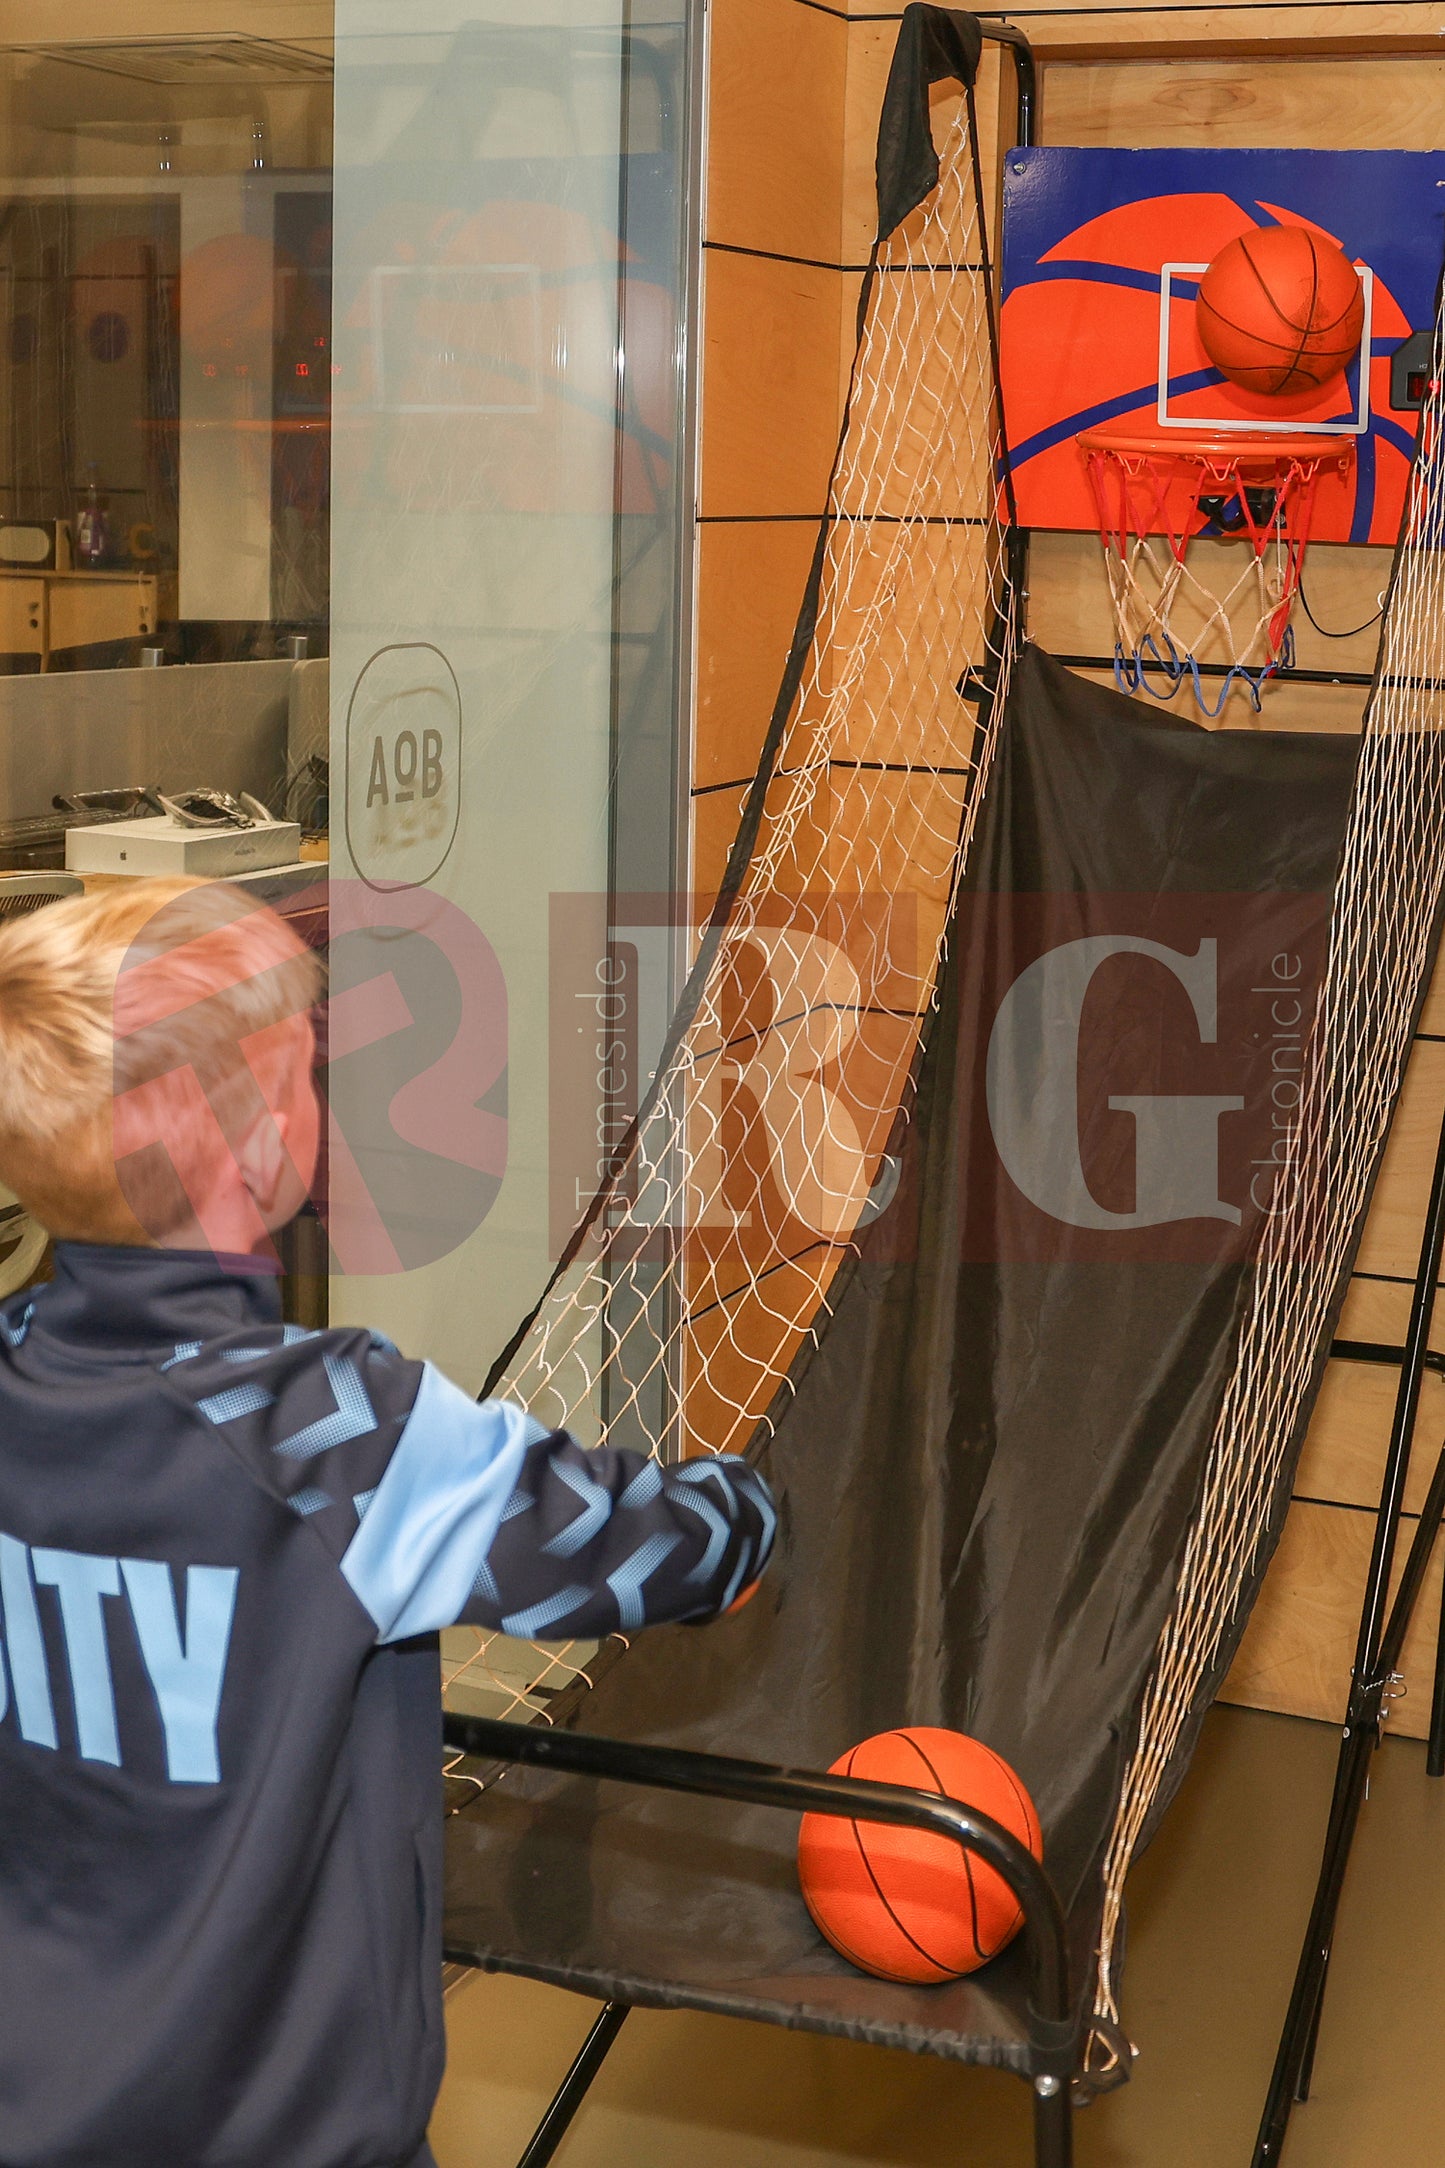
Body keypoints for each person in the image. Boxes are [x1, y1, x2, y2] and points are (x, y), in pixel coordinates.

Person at [0, 876, 775, 2168]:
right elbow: (621, 1546)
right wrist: (745, 1517)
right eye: (302, 1065)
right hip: (288, 2132)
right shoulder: (333, 1435)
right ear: (255, 1141)